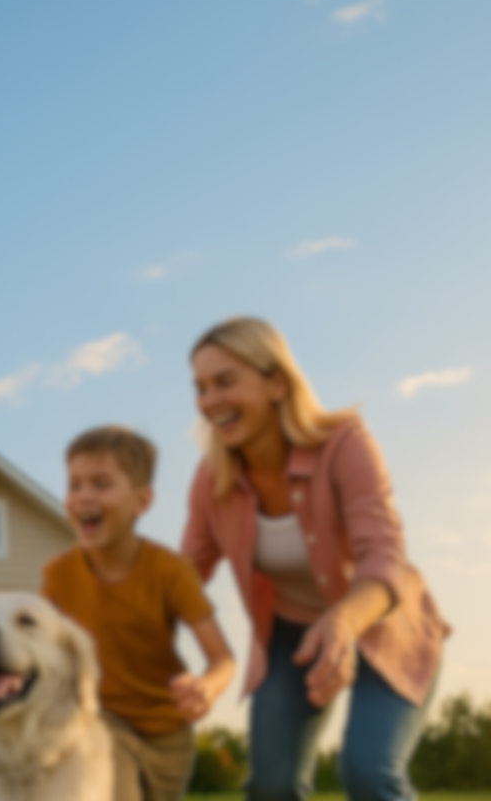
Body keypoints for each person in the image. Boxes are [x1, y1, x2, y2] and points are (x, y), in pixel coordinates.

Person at [181, 317, 449, 801]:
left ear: (276, 383)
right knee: (272, 786)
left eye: (225, 382)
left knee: (369, 773)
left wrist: (343, 621)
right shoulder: (211, 478)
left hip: (385, 626)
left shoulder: (344, 444)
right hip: (292, 638)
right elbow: (180, 577)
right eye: (200, 387)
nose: (209, 401)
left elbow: (384, 555)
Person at [42, 425, 235, 801]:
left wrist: (206, 687)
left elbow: (222, 657)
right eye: (74, 485)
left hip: (168, 732)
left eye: (100, 484)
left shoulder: (171, 571)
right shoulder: (58, 576)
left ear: (142, 501)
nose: (83, 497)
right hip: (100, 719)